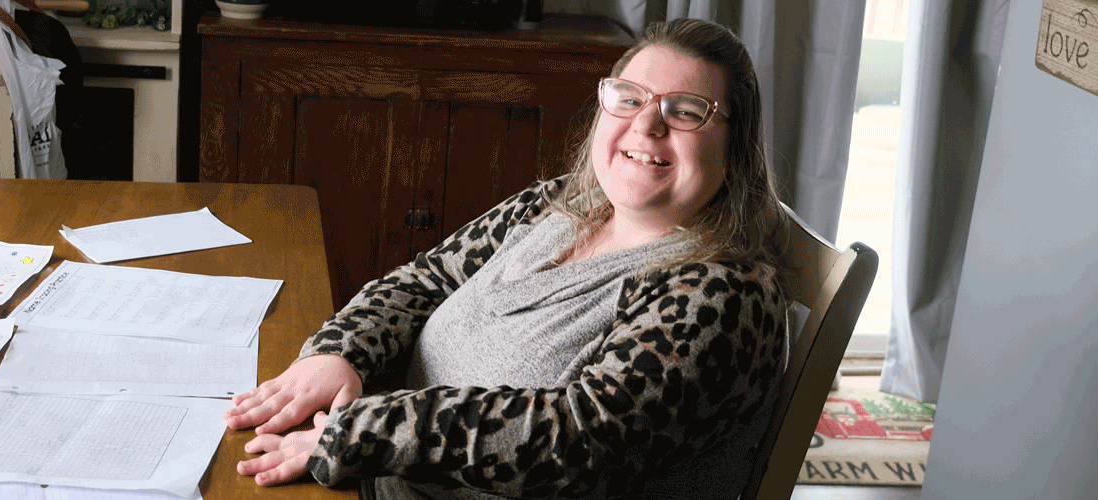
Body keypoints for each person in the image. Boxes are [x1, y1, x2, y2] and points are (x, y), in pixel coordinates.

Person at [225, 17, 791, 500]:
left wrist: (364, 431)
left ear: (735, 146)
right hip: (362, 457)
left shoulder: (725, 296)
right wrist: (340, 352)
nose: (647, 123)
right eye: (629, 98)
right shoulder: (558, 203)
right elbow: (428, 278)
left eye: (686, 111)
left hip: (366, 456)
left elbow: (576, 441)